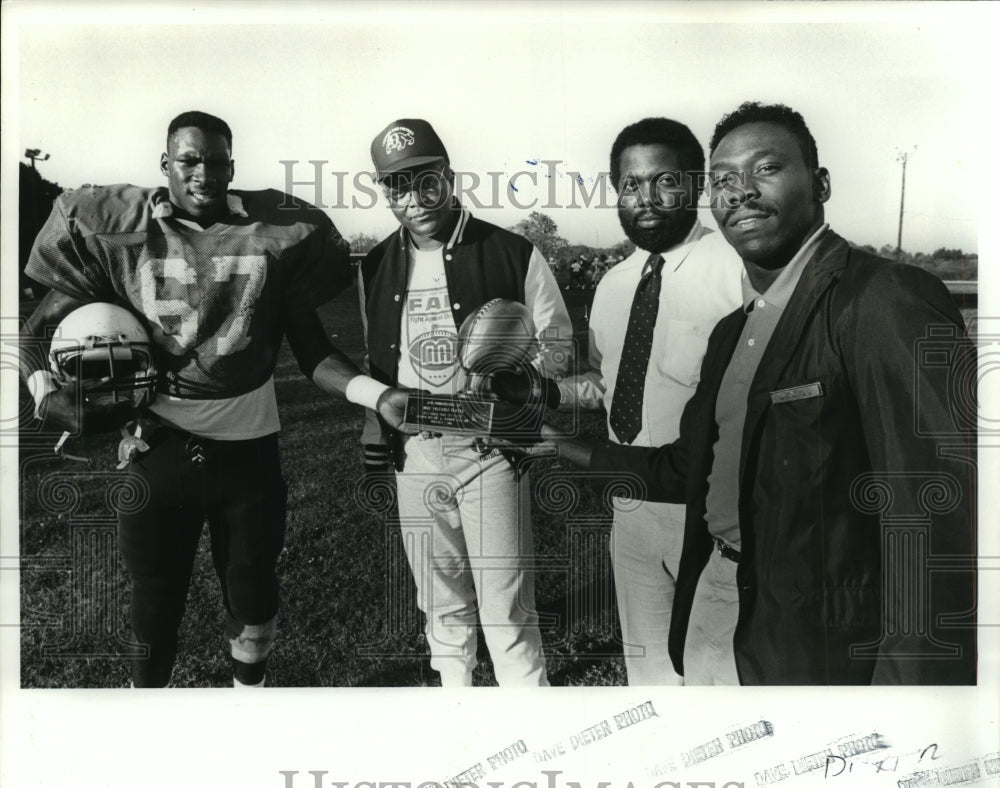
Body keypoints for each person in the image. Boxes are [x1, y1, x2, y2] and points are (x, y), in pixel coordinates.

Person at [499, 102, 976, 685]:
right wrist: (553, 423)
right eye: (726, 179)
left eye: (766, 169)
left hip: (802, 593)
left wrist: (913, 694)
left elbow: (936, 512)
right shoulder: (675, 303)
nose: (740, 192)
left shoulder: (860, 293)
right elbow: (663, 433)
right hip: (683, 540)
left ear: (820, 184)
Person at [20, 110, 412, 688]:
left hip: (249, 447)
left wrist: (377, 397)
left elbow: (314, 351)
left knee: (254, 596)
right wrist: (44, 393)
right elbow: (33, 333)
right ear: (165, 164)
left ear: (233, 165)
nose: (204, 172)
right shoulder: (116, 229)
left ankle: (245, 709)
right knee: (154, 601)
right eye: (189, 159)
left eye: (218, 160)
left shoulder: (277, 232)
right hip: (158, 446)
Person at [490, 118, 742, 685]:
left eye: (665, 181)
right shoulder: (614, 283)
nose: (646, 199)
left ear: (697, 185)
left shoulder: (737, 272)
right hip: (629, 504)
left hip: (709, 511)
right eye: (631, 185)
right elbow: (610, 384)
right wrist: (538, 390)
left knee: (718, 689)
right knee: (650, 684)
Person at [359, 118, 573, 687]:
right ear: (384, 192)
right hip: (416, 452)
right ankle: (458, 725)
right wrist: (374, 426)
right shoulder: (377, 264)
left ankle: (531, 732)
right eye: (397, 186)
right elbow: (377, 357)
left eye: (426, 180)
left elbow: (559, 348)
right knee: (442, 608)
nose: (415, 198)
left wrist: (516, 375)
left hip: (490, 450)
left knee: (506, 612)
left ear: (449, 177)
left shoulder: (510, 251)